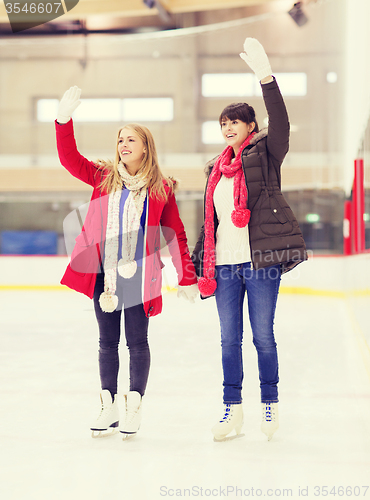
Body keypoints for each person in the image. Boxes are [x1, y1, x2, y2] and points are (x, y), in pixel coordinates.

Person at [55, 87, 198, 439]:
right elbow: (69, 159)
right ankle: (108, 406)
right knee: (107, 342)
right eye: (120, 140)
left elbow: (175, 233)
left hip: (140, 276)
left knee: (137, 341)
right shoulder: (104, 177)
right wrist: (62, 120)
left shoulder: (161, 187)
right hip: (104, 274)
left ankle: (134, 407)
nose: (123, 145)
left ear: (145, 146)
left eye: (130, 139)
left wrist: (187, 276)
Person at [192, 38, 307, 441]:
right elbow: (211, 224)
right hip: (223, 266)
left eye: (234, 122)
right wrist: (195, 270)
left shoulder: (267, 154)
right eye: (223, 123)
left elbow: (283, 122)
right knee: (228, 340)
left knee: (263, 337)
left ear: (251, 127)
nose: (227, 128)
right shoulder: (214, 169)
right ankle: (233, 410)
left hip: (260, 264)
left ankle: (270, 405)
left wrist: (266, 78)